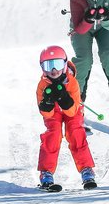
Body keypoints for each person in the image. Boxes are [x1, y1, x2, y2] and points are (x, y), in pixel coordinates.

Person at [35, 45, 97, 190]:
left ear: (64, 64)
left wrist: (64, 99)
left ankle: (86, 170)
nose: (53, 70)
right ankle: (46, 173)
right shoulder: (42, 85)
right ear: (42, 68)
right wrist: (47, 103)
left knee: (75, 132)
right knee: (53, 133)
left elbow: (72, 111)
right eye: (48, 66)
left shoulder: (72, 82)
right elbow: (46, 114)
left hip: (71, 110)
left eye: (57, 64)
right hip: (54, 112)